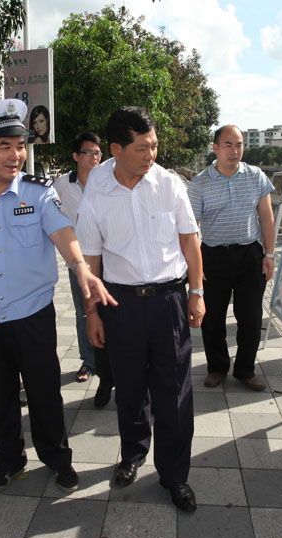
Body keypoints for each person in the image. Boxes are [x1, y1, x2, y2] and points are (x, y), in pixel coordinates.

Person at [0, 99, 114, 494]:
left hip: (33, 315)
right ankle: (9, 460)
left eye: (20, 146)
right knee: (1, 397)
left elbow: (64, 235)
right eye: (5, 146)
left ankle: (57, 459)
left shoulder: (38, 194)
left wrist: (81, 267)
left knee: (44, 393)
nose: (16, 155)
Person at [76, 106, 204, 512]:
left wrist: (197, 292)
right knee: (129, 387)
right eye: (142, 148)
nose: (151, 155)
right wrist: (92, 313)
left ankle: (175, 474)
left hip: (169, 300)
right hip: (120, 303)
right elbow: (90, 259)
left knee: (175, 391)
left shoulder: (169, 185)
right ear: (116, 149)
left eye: (154, 146)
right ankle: (132, 453)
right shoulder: (96, 192)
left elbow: (190, 240)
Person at [187, 125, 275, 391]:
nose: (234, 150)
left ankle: (245, 370)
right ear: (215, 148)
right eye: (228, 144)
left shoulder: (256, 176)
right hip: (213, 255)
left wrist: (269, 254)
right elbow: (191, 228)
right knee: (213, 317)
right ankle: (217, 367)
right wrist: (194, 267)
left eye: (239, 144)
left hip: (250, 254)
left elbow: (266, 216)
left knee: (250, 316)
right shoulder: (200, 182)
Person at [52, 131, 114, 406]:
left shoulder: (109, 181)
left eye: (98, 153)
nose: (95, 157)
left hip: (110, 260)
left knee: (113, 313)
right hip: (79, 263)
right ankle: (89, 362)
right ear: (76, 156)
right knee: (84, 313)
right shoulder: (60, 185)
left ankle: (114, 366)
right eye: (89, 152)